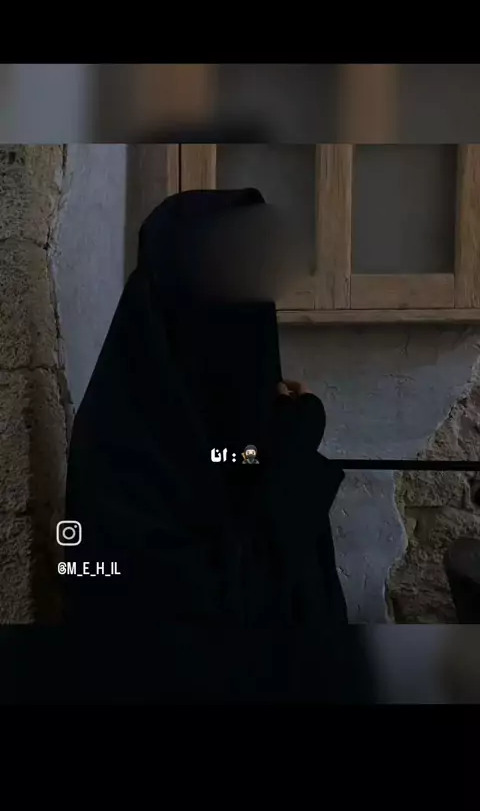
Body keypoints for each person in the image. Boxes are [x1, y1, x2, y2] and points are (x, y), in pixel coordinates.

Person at [62, 188, 376, 703]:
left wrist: (280, 446)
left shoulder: (231, 424)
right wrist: (292, 463)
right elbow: (201, 618)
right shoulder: (121, 453)